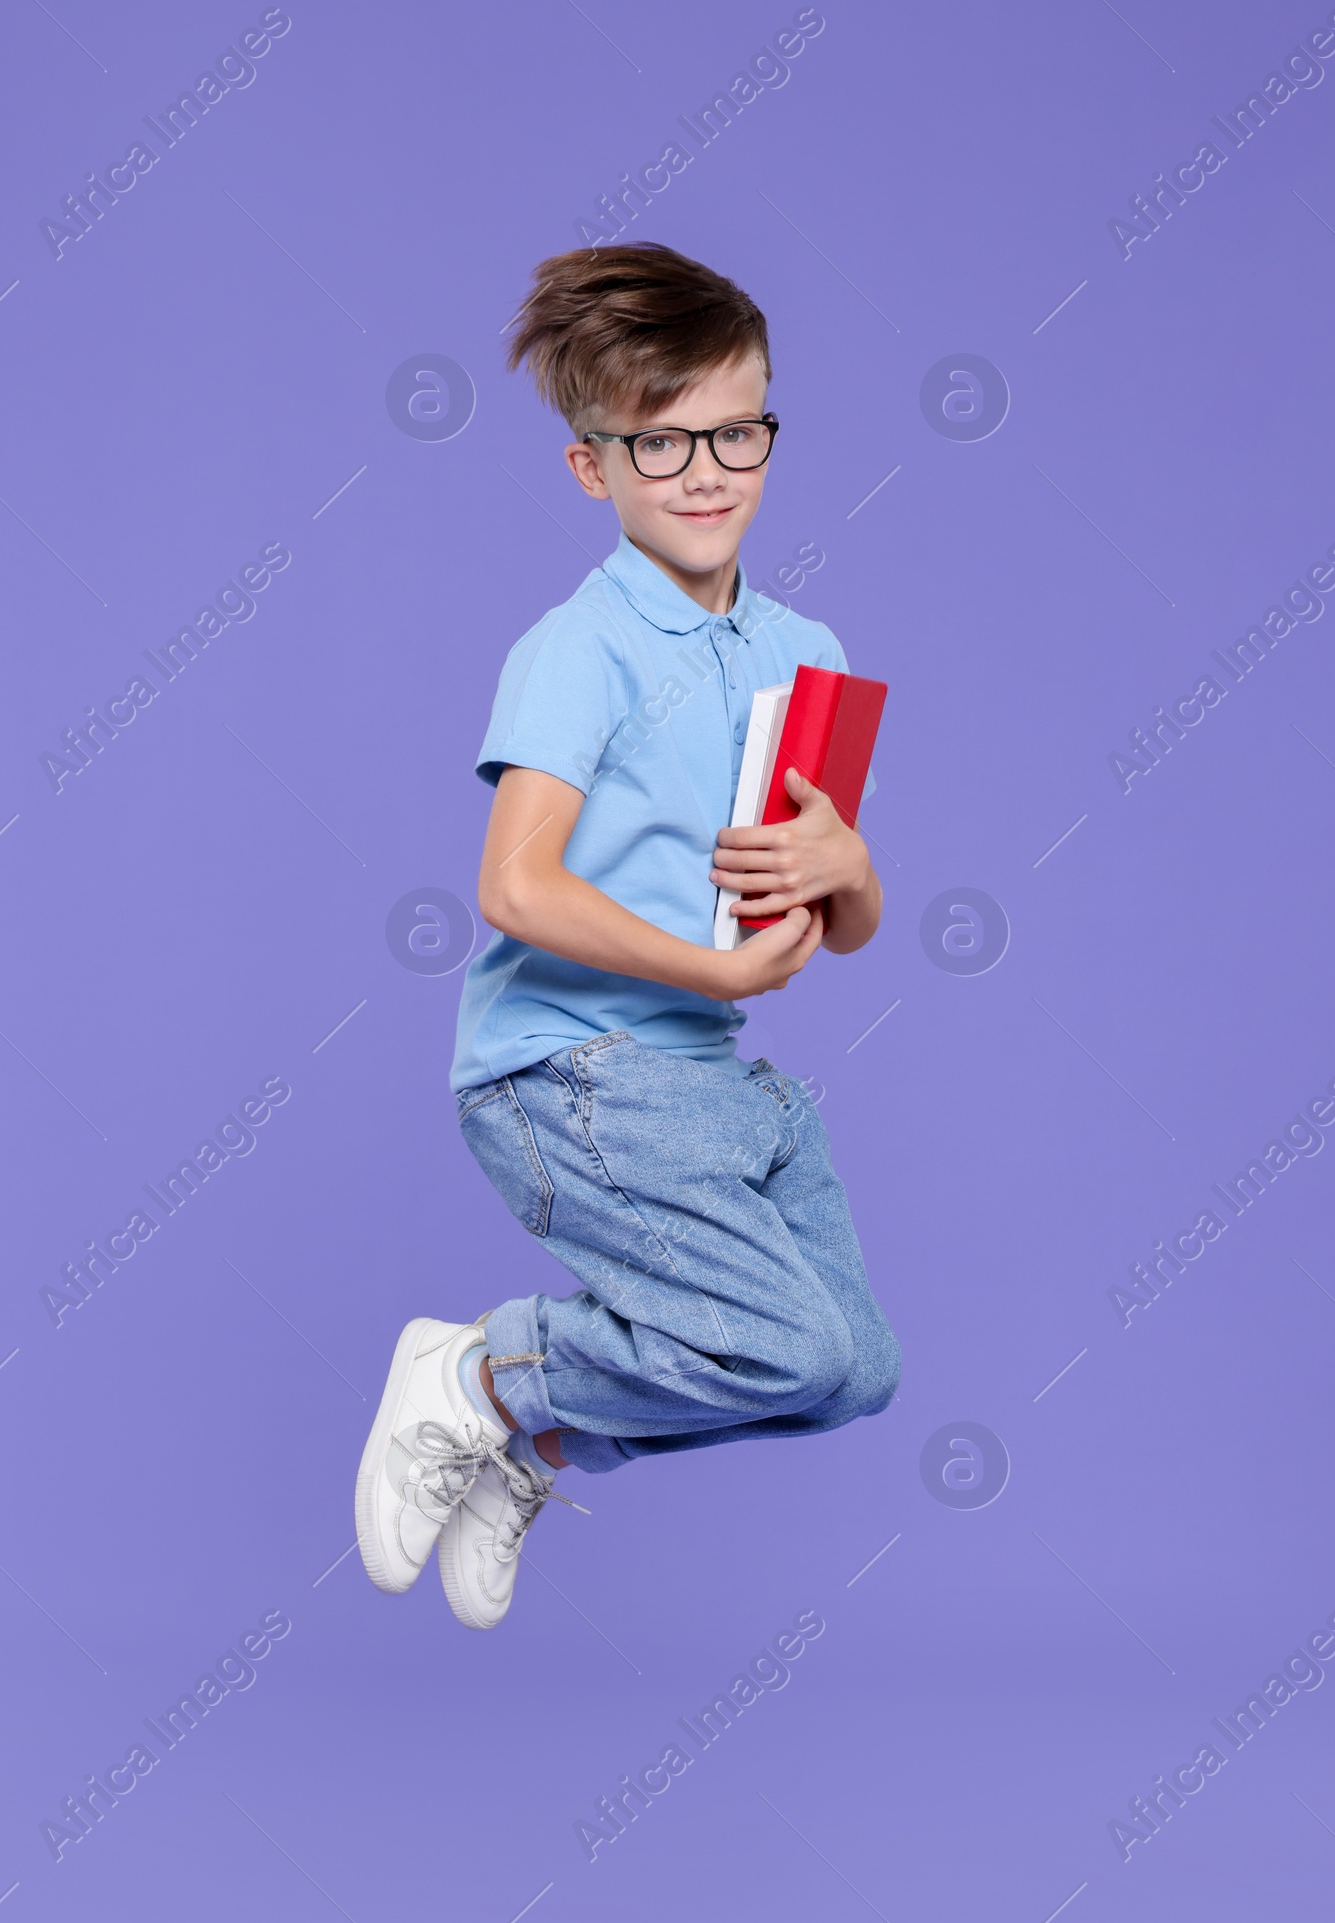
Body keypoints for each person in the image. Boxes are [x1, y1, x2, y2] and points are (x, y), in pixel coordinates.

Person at [356, 242, 900, 1628]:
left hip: (715, 1079)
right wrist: (716, 970)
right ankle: (480, 1378)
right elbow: (515, 889)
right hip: (572, 1073)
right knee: (776, 1339)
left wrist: (850, 866)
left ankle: (537, 1434)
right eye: (660, 445)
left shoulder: (807, 650)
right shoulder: (577, 651)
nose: (708, 470)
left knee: (849, 1370)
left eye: (736, 428)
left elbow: (839, 928)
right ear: (592, 469)